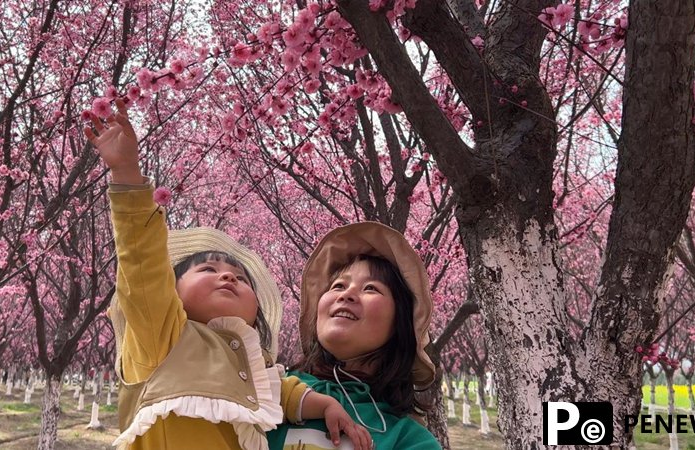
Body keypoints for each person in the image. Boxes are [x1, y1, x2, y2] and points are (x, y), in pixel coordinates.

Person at [85, 99, 372, 450]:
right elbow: (141, 264)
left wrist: (326, 404)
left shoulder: (251, 361)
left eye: (240, 277)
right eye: (208, 269)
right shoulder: (161, 338)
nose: (228, 277)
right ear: (171, 291)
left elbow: (280, 391)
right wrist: (127, 174)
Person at [267, 222, 442, 449]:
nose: (347, 294)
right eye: (338, 286)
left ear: (401, 323)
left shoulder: (409, 439)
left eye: (371, 288)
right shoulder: (269, 389)